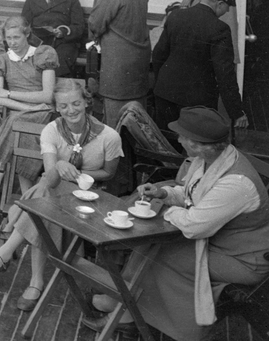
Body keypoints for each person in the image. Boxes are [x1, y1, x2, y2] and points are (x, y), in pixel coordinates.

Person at [86, 107, 269, 341]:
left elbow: (193, 225)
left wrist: (167, 211)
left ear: (199, 145)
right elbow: (192, 194)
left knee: (162, 256)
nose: (179, 140)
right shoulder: (210, 159)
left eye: (183, 136)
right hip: (215, 241)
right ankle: (123, 302)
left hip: (242, 259)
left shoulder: (236, 183)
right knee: (148, 245)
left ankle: (131, 317)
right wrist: (164, 194)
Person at [0, 85, 122, 313]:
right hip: (53, 191)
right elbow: (52, 178)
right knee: (45, 197)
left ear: (86, 102)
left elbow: (109, 173)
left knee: (41, 197)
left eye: (76, 103)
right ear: (57, 108)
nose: (70, 110)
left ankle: (13, 263)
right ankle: (33, 281)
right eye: (63, 106)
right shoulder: (51, 131)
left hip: (89, 199)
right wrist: (60, 165)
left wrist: (77, 172)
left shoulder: (109, 136)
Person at [0, 17, 58, 204]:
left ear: (27, 34)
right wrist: (28, 107)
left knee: (16, 123)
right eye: (8, 38)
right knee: (18, 124)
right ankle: (27, 198)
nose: (12, 42)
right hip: (23, 111)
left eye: (16, 37)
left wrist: (9, 94)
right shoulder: (2, 59)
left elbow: (47, 96)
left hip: (44, 112)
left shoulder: (43, 54)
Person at [151, 0, 246, 130]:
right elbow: (225, 75)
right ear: (220, 4)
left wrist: (161, 82)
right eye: (227, 7)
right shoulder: (220, 28)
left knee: (166, 140)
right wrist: (237, 112)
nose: (227, 11)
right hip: (197, 102)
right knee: (195, 141)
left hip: (165, 93)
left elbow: (158, 55)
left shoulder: (176, 15)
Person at [88, 0, 151, 126]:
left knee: (115, 122)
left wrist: (94, 37)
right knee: (138, 120)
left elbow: (95, 24)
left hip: (117, 65)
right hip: (140, 60)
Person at [20, 0, 86, 77]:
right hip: (38, 41)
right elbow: (23, 23)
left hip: (63, 43)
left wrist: (63, 32)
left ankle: (53, 86)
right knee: (30, 59)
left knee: (59, 61)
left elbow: (79, 27)